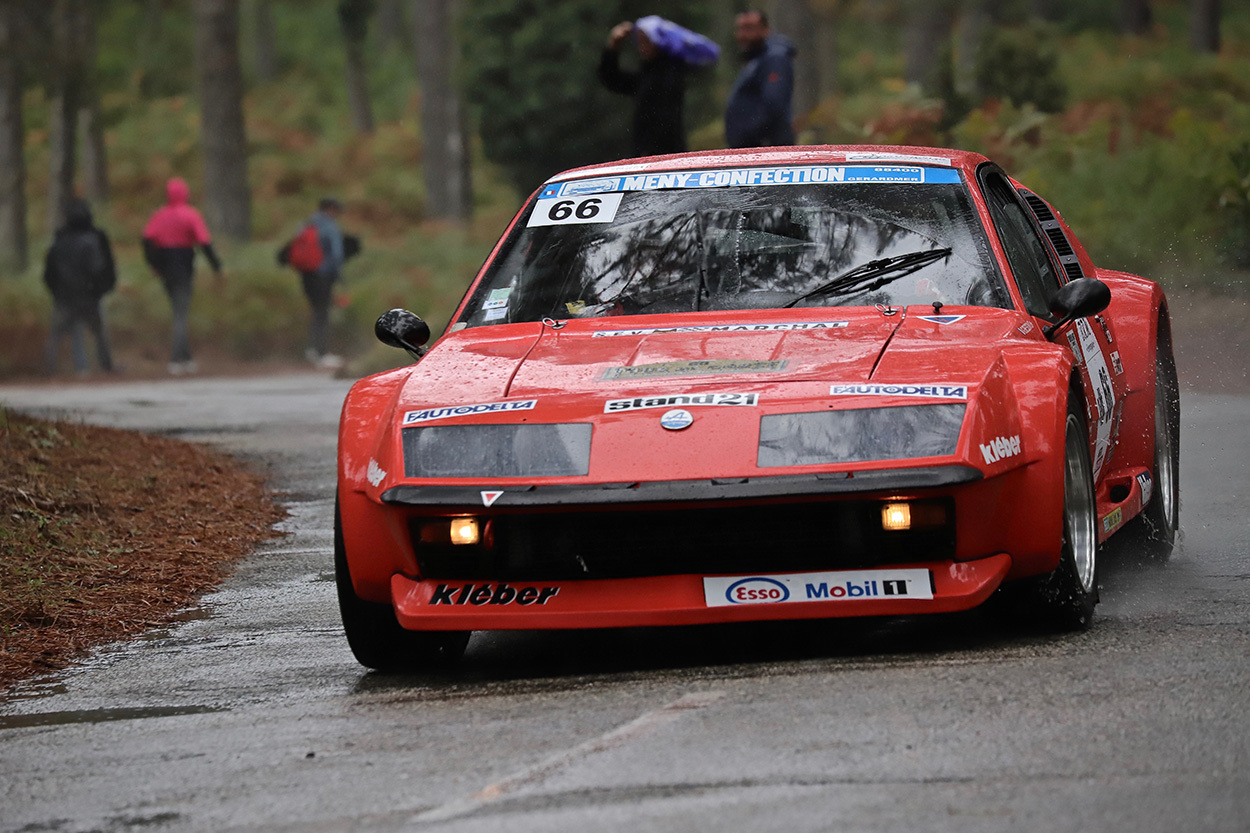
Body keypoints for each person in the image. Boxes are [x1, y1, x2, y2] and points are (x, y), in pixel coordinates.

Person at [599, 15, 719, 158]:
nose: (641, 47)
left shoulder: (670, 73)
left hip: (665, 154)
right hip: (648, 153)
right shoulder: (646, 76)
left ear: (657, 40)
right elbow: (613, 80)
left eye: (645, 40)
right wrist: (613, 46)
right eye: (639, 41)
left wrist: (649, 149)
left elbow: (661, 117)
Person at [142, 178, 222, 375]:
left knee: (178, 311)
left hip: (166, 268)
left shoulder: (159, 215)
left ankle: (186, 358)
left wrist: (154, 264)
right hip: (184, 266)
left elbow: (146, 239)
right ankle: (176, 359)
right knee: (181, 314)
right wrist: (216, 266)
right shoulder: (190, 215)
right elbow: (205, 242)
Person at [43, 200, 116, 376]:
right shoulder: (93, 240)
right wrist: (99, 288)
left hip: (64, 295)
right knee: (98, 331)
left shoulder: (59, 240)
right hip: (88, 294)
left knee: (59, 332)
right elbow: (97, 268)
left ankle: (53, 368)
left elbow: (49, 271)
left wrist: (56, 290)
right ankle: (105, 366)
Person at [724, 9, 797, 149]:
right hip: (755, 148)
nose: (742, 35)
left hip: (766, 149)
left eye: (749, 28)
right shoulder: (757, 59)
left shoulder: (775, 58)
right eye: (739, 29)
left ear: (765, 30)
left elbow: (774, 103)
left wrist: (754, 137)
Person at [296, 197, 348, 369]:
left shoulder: (306, 224)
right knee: (323, 313)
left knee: (316, 311)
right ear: (331, 209)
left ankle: (312, 350)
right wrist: (339, 276)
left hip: (306, 275)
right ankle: (322, 353)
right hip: (323, 275)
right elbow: (336, 254)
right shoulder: (329, 226)